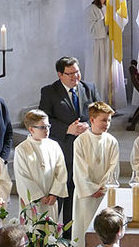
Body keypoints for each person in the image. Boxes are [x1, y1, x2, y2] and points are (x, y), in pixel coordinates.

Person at [39, 56, 101, 231]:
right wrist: (67, 129)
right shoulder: (49, 92)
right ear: (60, 74)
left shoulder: (89, 88)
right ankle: (53, 232)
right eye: (70, 74)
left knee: (77, 194)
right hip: (62, 148)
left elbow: (100, 113)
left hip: (85, 148)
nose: (76, 77)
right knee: (62, 190)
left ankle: (72, 232)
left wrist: (89, 125)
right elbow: (44, 120)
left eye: (77, 72)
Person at [72, 101, 119, 247]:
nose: (107, 123)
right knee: (85, 227)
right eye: (103, 120)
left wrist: (104, 187)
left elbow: (114, 166)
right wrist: (92, 188)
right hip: (86, 194)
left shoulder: (111, 141)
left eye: (109, 120)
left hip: (104, 194)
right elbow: (79, 169)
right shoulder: (80, 141)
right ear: (92, 120)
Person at [14, 109, 68, 225]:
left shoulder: (54, 146)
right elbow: (22, 176)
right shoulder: (22, 149)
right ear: (31, 129)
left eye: (48, 126)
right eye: (42, 127)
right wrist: (38, 196)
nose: (47, 130)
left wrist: (54, 193)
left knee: (50, 234)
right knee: (33, 232)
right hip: (32, 202)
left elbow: (61, 171)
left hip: (51, 200)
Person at [89, 0, 125, 109]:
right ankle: (102, 104)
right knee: (102, 74)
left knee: (112, 73)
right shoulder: (92, 8)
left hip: (112, 43)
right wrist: (104, 20)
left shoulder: (112, 7)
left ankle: (114, 103)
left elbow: (120, 23)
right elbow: (92, 30)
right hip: (101, 45)